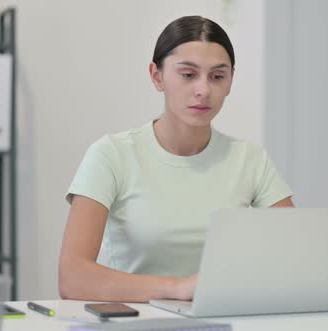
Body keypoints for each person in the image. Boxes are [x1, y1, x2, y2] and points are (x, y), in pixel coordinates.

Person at [58, 15, 294, 302]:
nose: (203, 90)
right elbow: (73, 278)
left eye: (217, 76)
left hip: (222, 319)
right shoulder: (111, 154)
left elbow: (293, 258)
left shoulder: (251, 159)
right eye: (187, 74)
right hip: (134, 321)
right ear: (157, 76)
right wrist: (176, 289)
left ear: (231, 80)